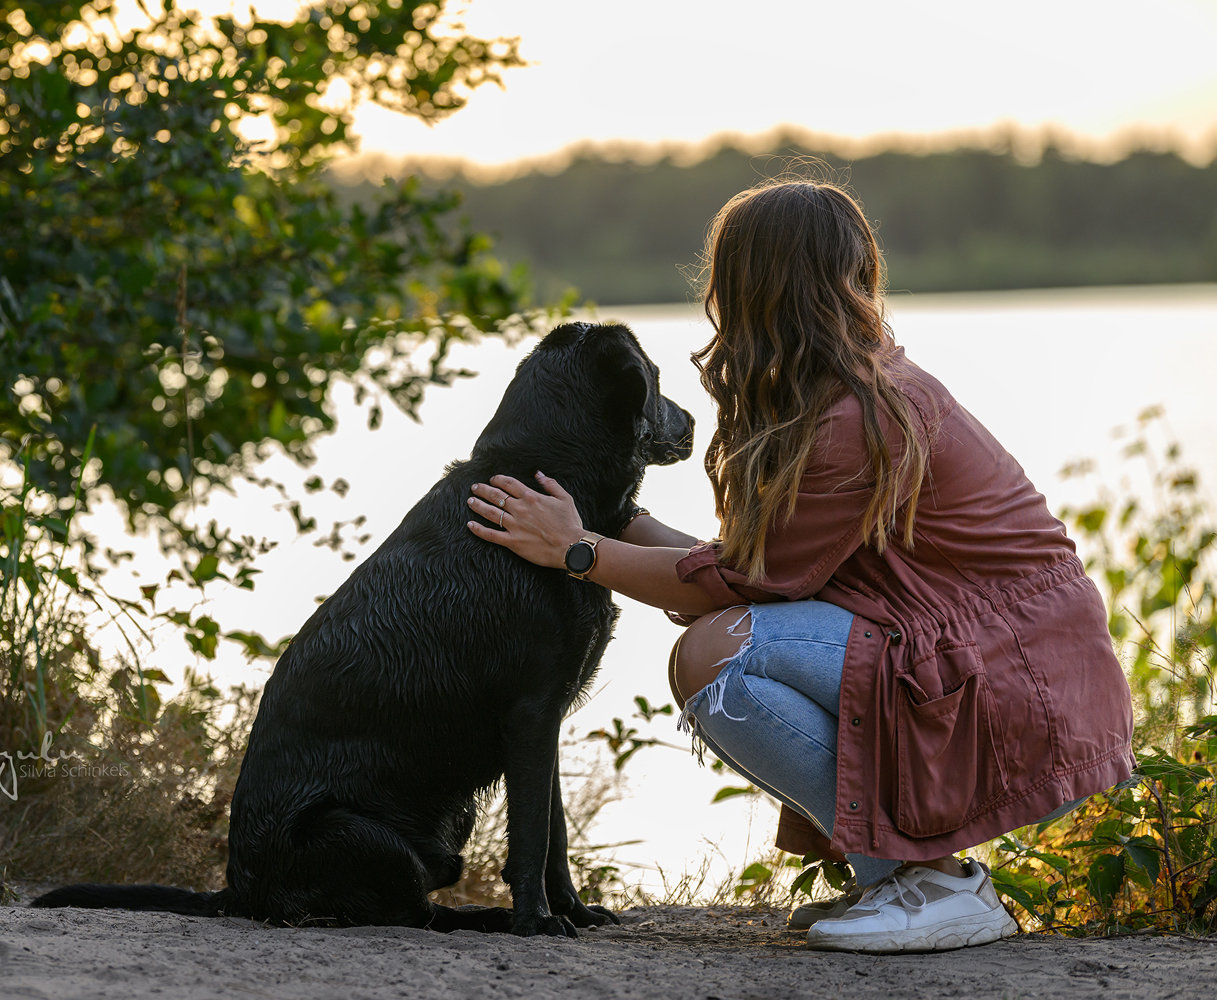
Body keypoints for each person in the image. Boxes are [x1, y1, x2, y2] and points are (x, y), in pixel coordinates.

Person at [464, 180, 1134, 953]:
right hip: (999, 669)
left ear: (754, 289)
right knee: (730, 632)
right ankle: (903, 880)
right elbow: (758, 567)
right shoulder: (842, 390)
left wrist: (577, 552)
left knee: (720, 654)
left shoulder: (861, 417)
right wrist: (616, 524)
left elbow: (741, 586)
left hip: (1022, 694)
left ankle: (940, 886)